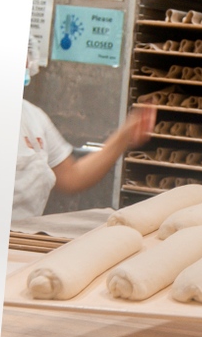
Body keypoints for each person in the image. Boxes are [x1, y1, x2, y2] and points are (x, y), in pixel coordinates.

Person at [13, 41, 155, 221]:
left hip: (21, 237)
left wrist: (124, 136)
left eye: (26, 53)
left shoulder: (33, 117)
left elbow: (72, 176)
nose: (26, 62)